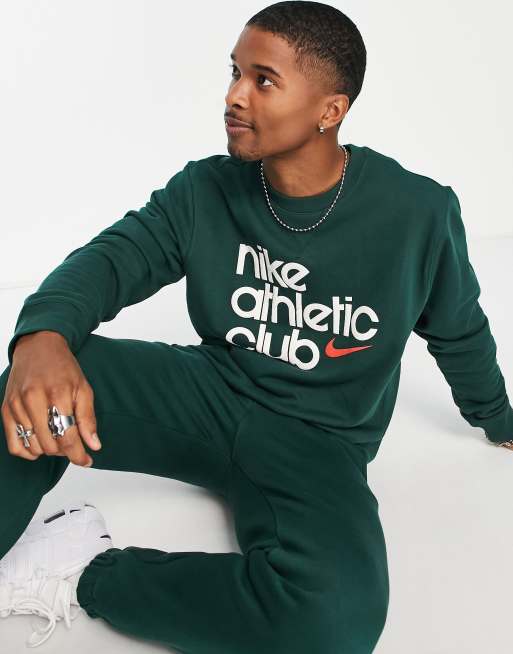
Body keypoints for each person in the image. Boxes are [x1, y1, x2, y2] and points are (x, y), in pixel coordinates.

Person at [1, 1, 512, 652]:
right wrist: (41, 337)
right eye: (235, 73)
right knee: (30, 390)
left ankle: (79, 569)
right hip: (207, 398)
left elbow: (458, 329)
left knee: (334, 621)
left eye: (263, 80)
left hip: (318, 443)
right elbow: (111, 260)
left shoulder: (415, 212)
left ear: (330, 109)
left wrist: (499, 418)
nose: (234, 96)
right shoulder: (205, 189)